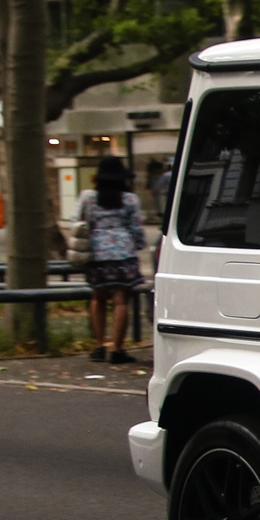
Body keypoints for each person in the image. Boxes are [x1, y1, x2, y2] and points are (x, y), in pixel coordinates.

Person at [78, 154, 146, 364]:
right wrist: (138, 244)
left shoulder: (88, 198)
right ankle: (117, 349)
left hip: (97, 252)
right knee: (120, 300)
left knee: (97, 298)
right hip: (123, 253)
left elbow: (78, 221)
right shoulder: (130, 199)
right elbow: (136, 228)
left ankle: (99, 346)